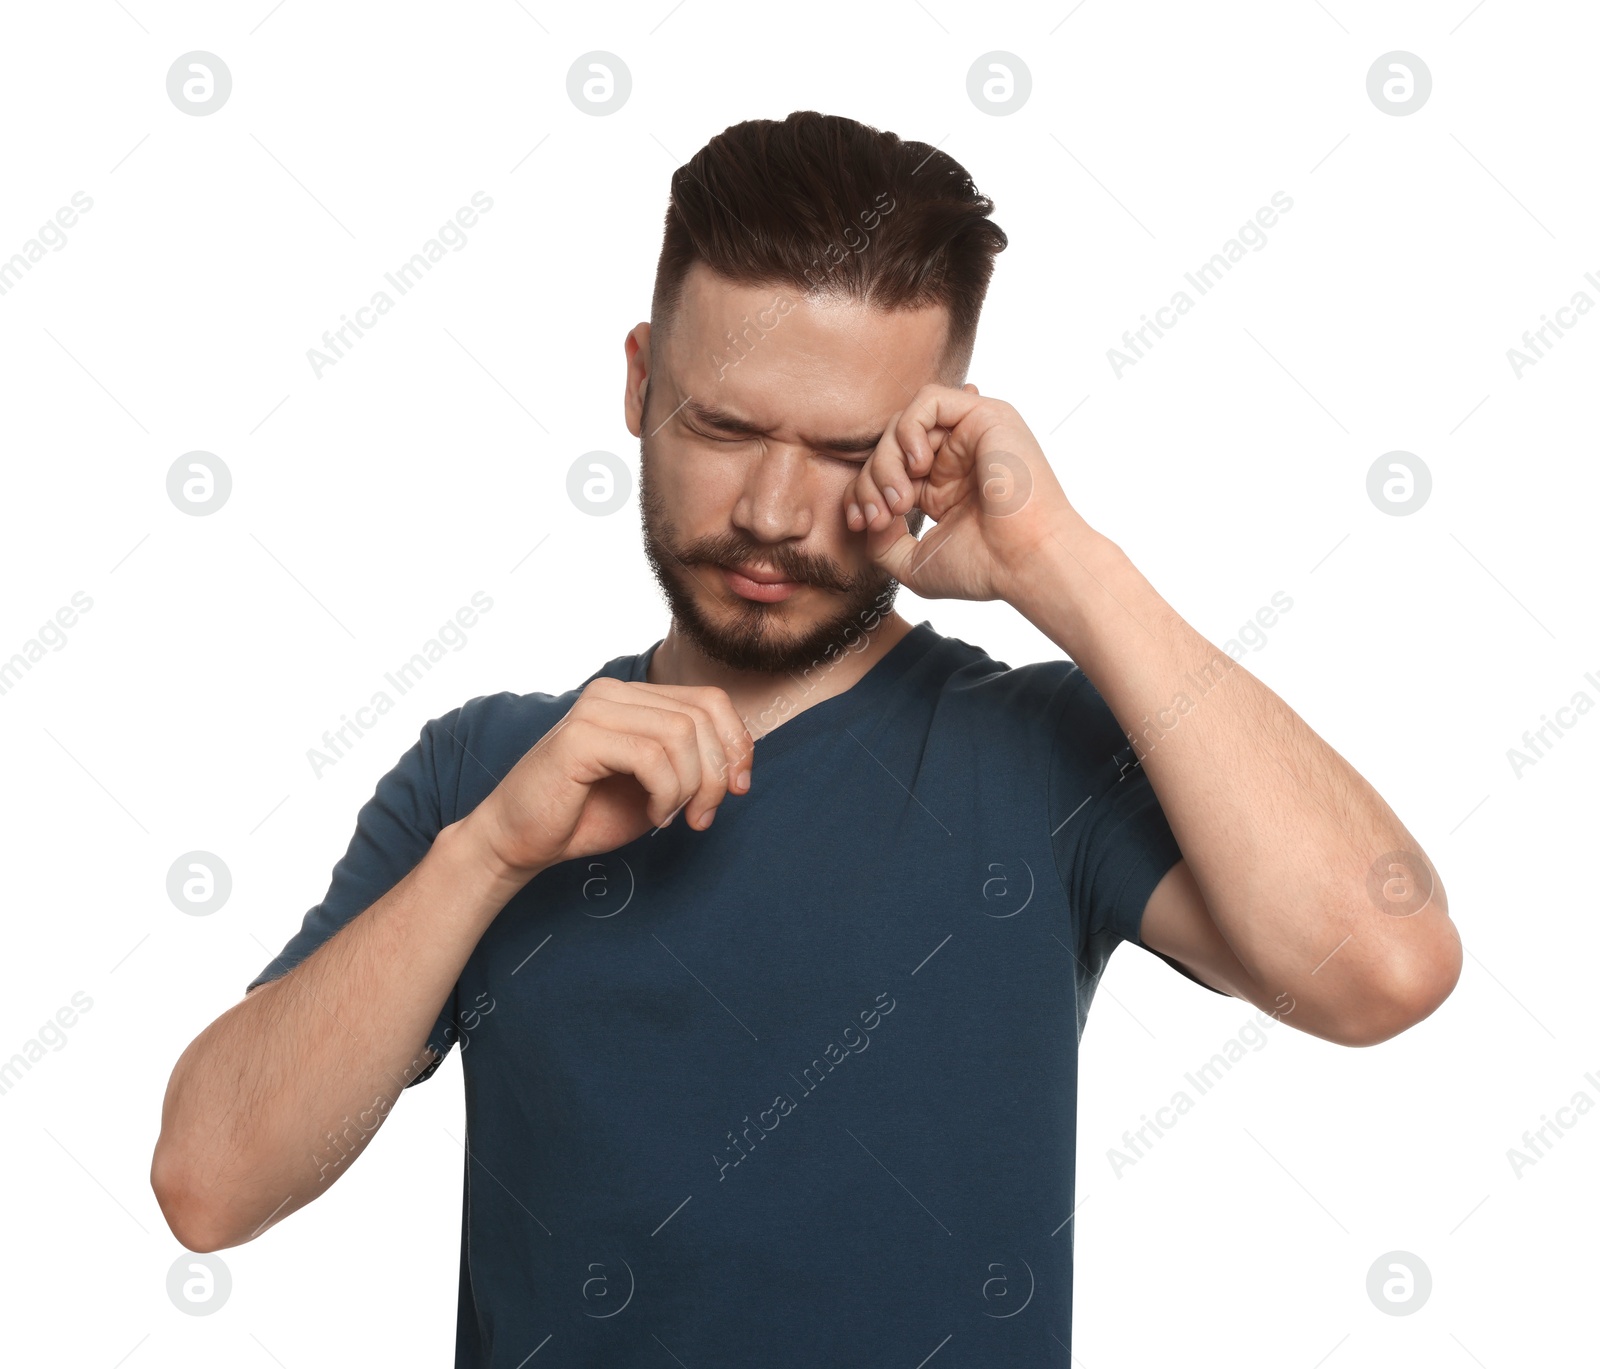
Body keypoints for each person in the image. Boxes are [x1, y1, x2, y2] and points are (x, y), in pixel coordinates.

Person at [151, 110, 1462, 1365]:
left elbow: (1387, 964)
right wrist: (487, 853)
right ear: (638, 381)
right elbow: (208, 1186)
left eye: (846, 450)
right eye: (723, 426)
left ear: (937, 438)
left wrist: (1064, 563)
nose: (775, 511)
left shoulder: (1040, 753)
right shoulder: (486, 773)